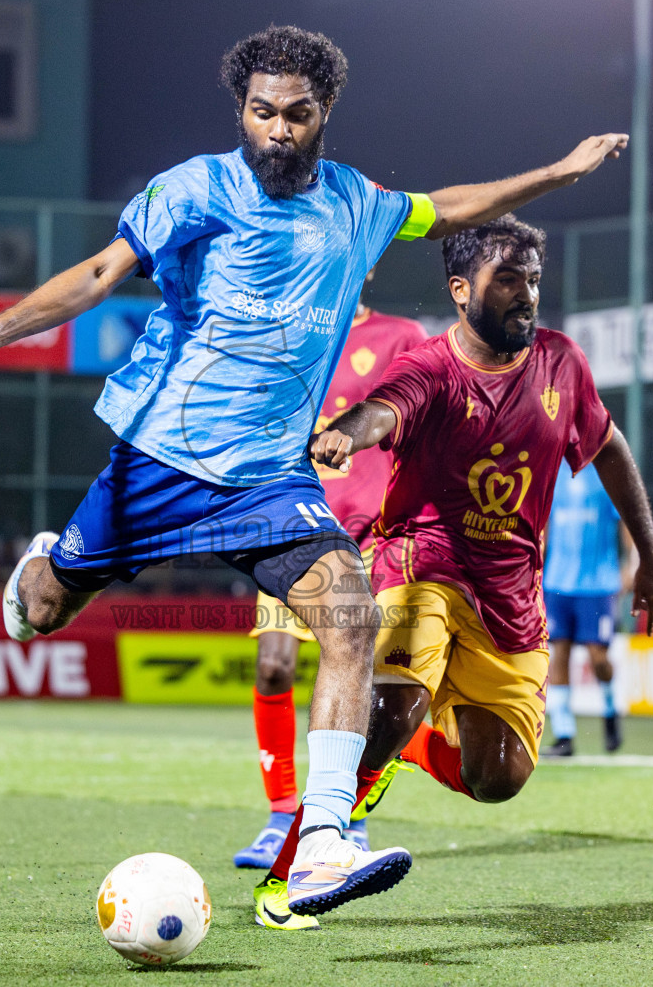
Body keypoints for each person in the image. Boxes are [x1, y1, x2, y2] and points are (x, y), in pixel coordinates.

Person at [0, 25, 629, 928]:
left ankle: (323, 841)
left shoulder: (357, 203)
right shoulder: (193, 189)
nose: (279, 131)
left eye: (298, 115)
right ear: (241, 112)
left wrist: (559, 173)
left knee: (348, 615)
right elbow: (101, 272)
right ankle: (40, 570)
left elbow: (451, 207)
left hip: (268, 480)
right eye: (263, 113)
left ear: (323, 113)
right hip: (160, 461)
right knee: (47, 610)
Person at [276, 215, 653, 926]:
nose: (528, 295)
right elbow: (382, 413)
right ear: (461, 290)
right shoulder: (429, 366)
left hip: (512, 600)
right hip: (418, 566)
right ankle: (292, 880)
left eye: (534, 280)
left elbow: (609, 446)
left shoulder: (562, 363)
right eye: (509, 279)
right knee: (383, 712)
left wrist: (649, 549)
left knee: (498, 778)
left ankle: (415, 741)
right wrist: (344, 433)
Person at [233, 269, 426, 869]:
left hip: (373, 535)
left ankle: (348, 816)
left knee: (364, 673)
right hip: (294, 525)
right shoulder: (285, 336)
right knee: (274, 665)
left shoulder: (402, 337)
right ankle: (281, 813)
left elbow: (424, 417)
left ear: (368, 262)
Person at [539, 457, 628, 757]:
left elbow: (626, 519)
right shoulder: (553, 472)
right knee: (558, 654)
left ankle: (610, 710)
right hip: (558, 582)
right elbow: (544, 522)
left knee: (598, 657)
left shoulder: (607, 471)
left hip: (598, 584)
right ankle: (564, 735)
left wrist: (632, 564)